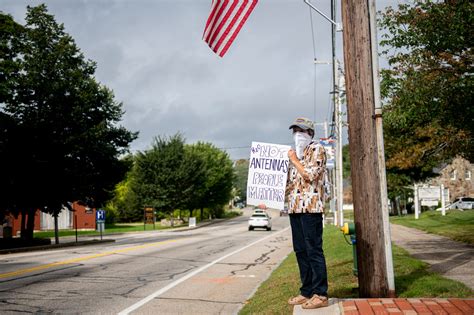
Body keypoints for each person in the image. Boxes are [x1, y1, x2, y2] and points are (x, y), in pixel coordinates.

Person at [286, 117, 329, 309]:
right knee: (301, 251)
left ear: (310, 133)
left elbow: (310, 175)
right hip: (295, 209)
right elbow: (290, 184)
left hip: (311, 209)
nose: (298, 135)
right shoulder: (293, 154)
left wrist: (294, 160)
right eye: (295, 131)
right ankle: (307, 291)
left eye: (301, 131)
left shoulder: (317, 150)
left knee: (314, 250)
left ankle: (321, 293)